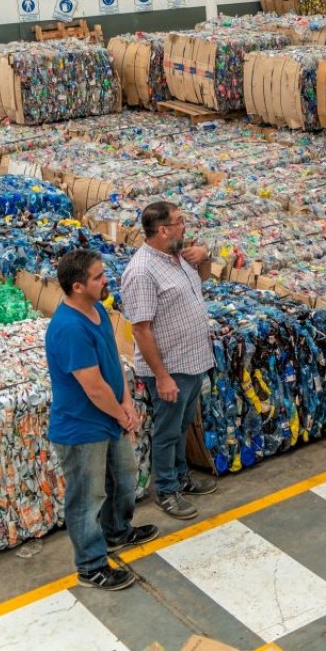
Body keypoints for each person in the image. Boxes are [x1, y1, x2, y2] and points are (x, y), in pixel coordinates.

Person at [46, 249, 158, 590]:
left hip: (109, 417)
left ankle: (117, 531)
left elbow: (112, 365)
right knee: (86, 497)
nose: (106, 279)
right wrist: (123, 414)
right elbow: (93, 387)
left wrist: (126, 401)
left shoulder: (96, 310)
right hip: (82, 428)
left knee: (125, 477)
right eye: (98, 276)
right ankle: (91, 565)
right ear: (78, 286)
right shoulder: (69, 328)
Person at [123, 200, 218, 521]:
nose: (184, 225)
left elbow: (200, 284)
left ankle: (181, 477)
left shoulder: (178, 257)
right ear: (163, 230)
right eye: (179, 221)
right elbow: (140, 329)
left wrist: (204, 258)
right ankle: (165, 490)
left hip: (192, 361)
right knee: (166, 431)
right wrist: (161, 376)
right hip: (170, 368)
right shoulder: (141, 271)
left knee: (180, 426)